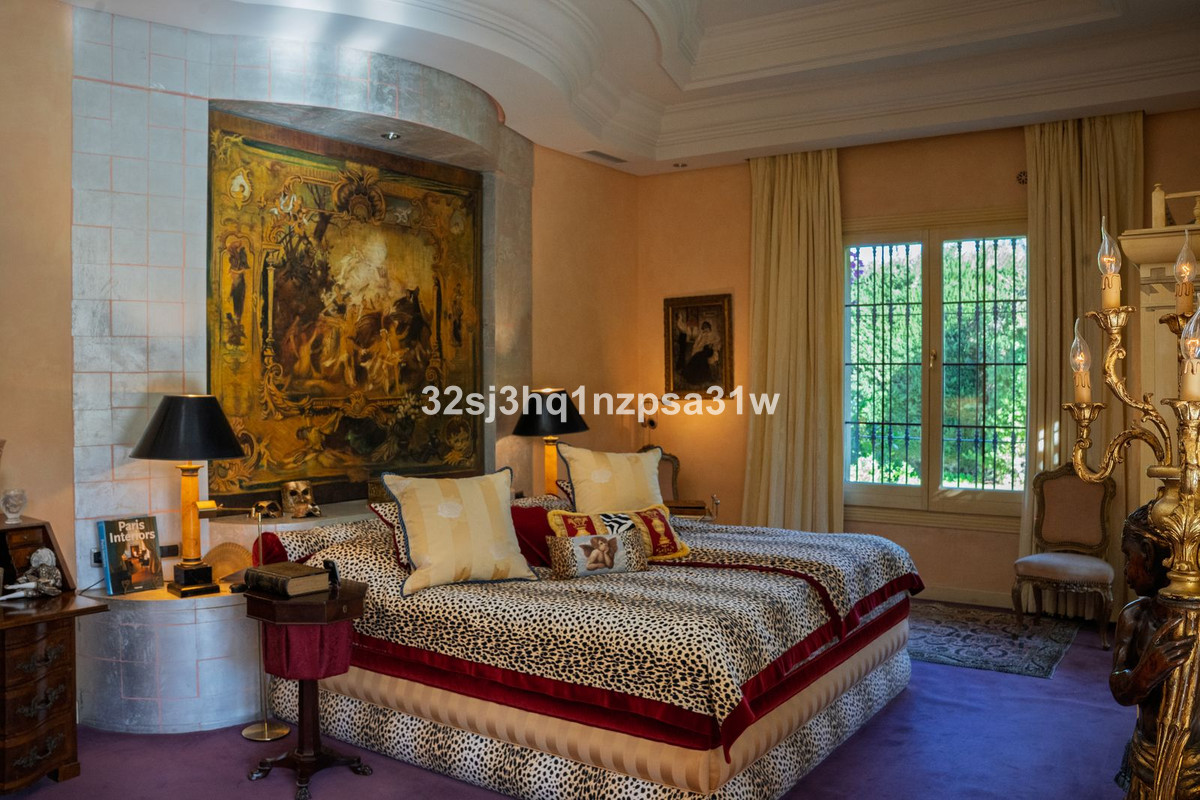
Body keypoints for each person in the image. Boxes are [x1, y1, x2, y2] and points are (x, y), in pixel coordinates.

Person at [1110, 503, 1197, 797]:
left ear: (1147, 554)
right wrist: (1145, 674)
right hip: (1147, 753)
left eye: (1128, 556)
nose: (1125, 569)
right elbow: (1120, 691)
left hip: (1193, 769)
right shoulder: (1134, 617)